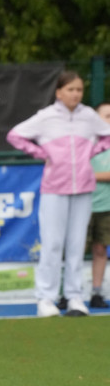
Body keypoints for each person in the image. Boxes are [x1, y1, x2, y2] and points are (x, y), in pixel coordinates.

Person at [6, 71, 110, 317]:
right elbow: (15, 135)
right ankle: (46, 299)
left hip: (83, 187)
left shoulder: (88, 117)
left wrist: (93, 152)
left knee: (76, 245)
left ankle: (75, 298)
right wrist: (41, 153)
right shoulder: (46, 117)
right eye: (71, 89)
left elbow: (107, 136)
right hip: (54, 187)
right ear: (59, 92)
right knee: (52, 244)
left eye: (79, 90)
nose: (76, 94)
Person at [87, 102, 110, 308]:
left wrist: (89, 175)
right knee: (72, 252)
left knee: (100, 250)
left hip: (105, 208)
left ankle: (96, 292)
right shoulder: (85, 143)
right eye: (108, 116)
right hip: (80, 205)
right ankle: (67, 294)